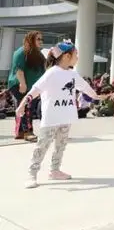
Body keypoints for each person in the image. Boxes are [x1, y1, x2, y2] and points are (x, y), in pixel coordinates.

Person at [16, 41, 99, 188]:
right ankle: (32, 173)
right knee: (42, 146)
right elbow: (35, 90)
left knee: (60, 146)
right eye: (76, 55)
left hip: (66, 117)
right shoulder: (52, 73)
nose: (77, 58)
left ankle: (54, 170)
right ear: (67, 56)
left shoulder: (73, 74)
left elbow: (86, 88)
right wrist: (22, 104)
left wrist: (98, 96)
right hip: (51, 118)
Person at [9, 31, 46, 142]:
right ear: (31, 39)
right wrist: (22, 83)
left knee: (26, 107)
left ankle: (20, 132)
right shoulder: (21, 52)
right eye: (38, 39)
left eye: (41, 39)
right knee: (27, 107)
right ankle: (27, 132)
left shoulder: (39, 55)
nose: (41, 41)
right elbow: (18, 70)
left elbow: (42, 72)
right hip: (19, 84)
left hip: (32, 87)